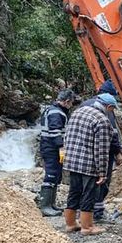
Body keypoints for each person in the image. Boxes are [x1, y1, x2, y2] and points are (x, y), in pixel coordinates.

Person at [62, 93, 115, 236]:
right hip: (88, 164)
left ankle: (71, 224)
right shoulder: (102, 121)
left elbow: (66, 136)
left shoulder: (77, 112)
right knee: (89, 194)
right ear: (108, 107)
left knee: (74, 192)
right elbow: (102, 150)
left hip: (72, 161)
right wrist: (102, 173)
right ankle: (87, 227)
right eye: (112, 109)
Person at [85, 80, 122, 220]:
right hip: (102, 152)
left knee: (86, 183)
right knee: (102, 181)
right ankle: (97, 214)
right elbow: (112, 134)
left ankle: (84, 212)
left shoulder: (84, 105)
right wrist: (117, 151)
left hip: (84, 152)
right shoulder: (106, 110)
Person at [37, 89, 76, 217]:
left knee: (56, 175)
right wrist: (61, 147)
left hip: (49, 147)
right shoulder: (56, 112)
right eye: (71, 103)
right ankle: (45, 206)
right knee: (52, 175)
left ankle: (51, 204)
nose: (71, 105)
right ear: (67, 101)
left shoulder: (53, 109)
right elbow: (55, 132)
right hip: (51, 148)